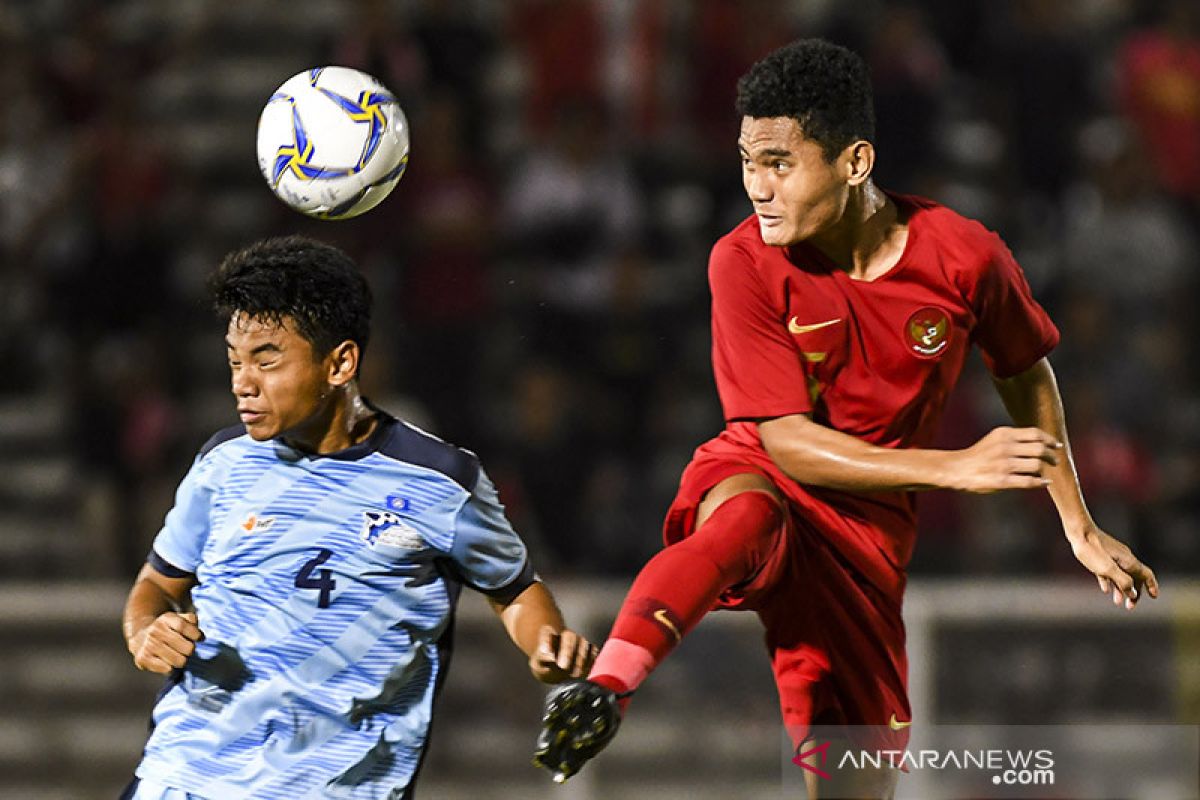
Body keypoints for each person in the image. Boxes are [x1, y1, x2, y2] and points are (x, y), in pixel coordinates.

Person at [534, 39, 1159, 798]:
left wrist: (1078, 524)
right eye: (747, 161)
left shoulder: (964, 257)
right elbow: (787, 442)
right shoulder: (742, 261)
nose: (757, 188)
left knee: (854, 781)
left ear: (855, 162)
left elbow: (1025, 370)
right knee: (743, 518)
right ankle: (607, 685)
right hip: (769, 469)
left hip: (868, 540)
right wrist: (955, 467)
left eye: (779, 163)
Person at [121, 236, 596, 799]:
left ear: (340, 362)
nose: (242, 383)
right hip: (183, 779)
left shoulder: (441, 480)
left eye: (267, 360)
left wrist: (546, 645)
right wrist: (145, 630)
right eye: (234, 360)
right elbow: (156, 583)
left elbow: (514, 590)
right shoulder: (221, 464)